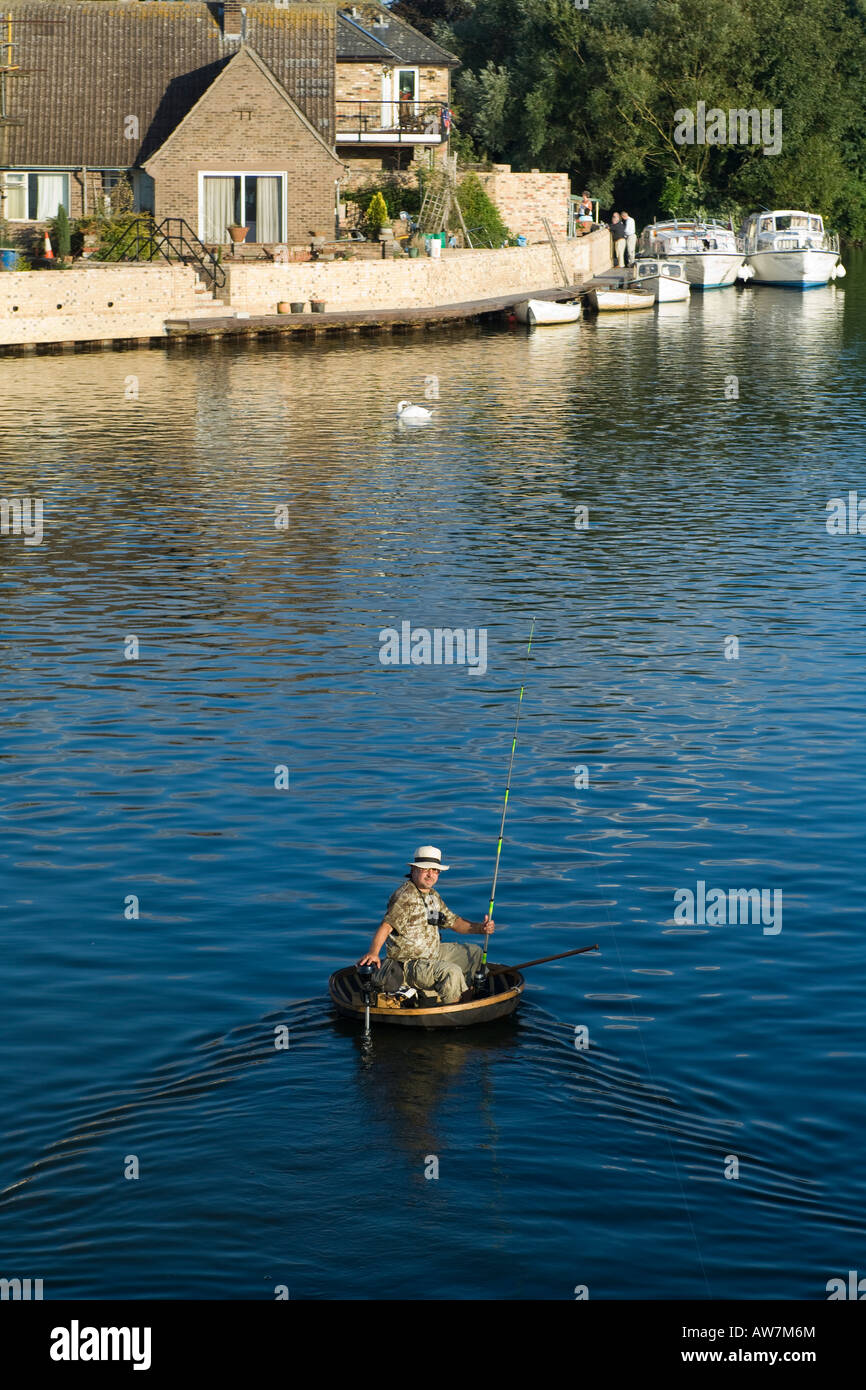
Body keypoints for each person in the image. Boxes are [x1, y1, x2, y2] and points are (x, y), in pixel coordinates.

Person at [358, 845, 495, 1004]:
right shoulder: (405, 897)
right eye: (425, 869)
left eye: (435, 870)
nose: (431, 874)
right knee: (451, 971)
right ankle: (457, 1007)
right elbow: (386, 926)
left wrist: (480, 928)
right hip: (409, 964)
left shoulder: (433, 896)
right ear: (414, 870)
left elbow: (454, 922)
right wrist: (373, 953)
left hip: (433, 953)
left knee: (475, 953)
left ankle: (470, 995)